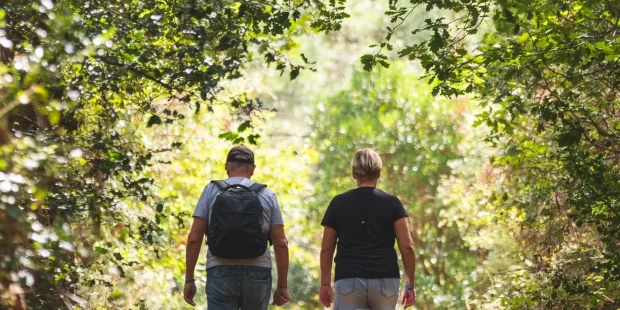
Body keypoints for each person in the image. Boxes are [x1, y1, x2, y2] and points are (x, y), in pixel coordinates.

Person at [184, 145, 290, 309]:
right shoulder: (267, 195)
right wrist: (282, 285)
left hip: (220, 269)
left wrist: (189, 279)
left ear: (226, 167)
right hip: (258, 271)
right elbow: (281, 242)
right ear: (253, 169)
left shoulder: (211, 191)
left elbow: (194, 238)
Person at [319, 148, 417, 309]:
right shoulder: (392, 203)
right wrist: (410, 284)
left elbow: (326, 249)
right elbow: (407, 247)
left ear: (354, 174)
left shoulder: (338, 203)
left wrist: (325, 284)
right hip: (385, 280)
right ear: (378, 173)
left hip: (348, 280)